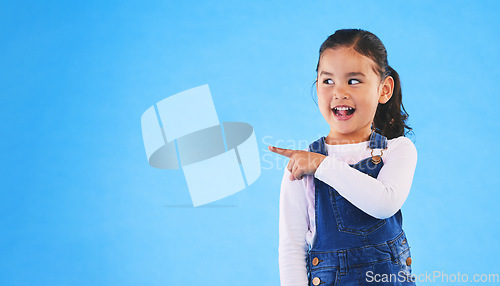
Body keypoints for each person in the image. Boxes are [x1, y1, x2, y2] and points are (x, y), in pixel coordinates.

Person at [269, 29, 418, 286]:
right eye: (328, 81)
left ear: (384, 90)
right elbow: (292, 251)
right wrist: (314, 163)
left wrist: (321, 164)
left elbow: (384, 203)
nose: (339, 92)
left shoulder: (398, 150)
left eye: (353, 81)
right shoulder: (300, 167)